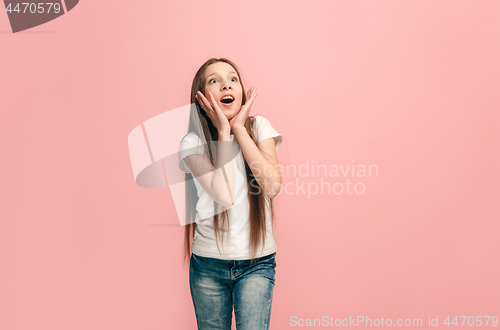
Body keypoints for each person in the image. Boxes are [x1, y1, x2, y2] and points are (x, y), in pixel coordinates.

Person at [178, 58, 283, 330]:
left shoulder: (259, 128)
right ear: (201, 97)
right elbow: (223, 196)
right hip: (207, 267)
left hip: (257, 263)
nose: (227, 84)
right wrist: (224, 132)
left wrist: (239, 128)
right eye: (215, 80)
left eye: (233, 79)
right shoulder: (192, 143)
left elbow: (271, 186)